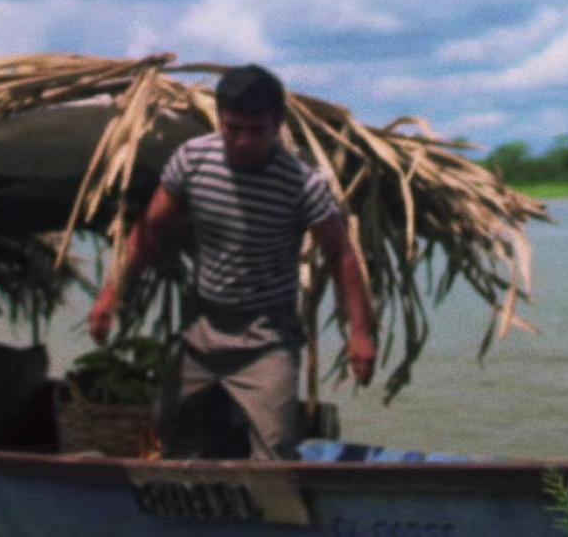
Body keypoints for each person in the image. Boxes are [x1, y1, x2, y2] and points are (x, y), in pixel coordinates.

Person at [88, 65, 378, 461]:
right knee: (171, 432)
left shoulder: (300, 184)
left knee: (274, 450)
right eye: (232, 128)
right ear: (220, 120)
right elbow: (149, 230)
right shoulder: (192, 161)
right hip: (204, 328)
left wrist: (359, 333)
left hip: (267, 336)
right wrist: (111, 296)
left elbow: (340, 254)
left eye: (255, 131)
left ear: (276, 124)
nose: (241, 141)